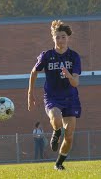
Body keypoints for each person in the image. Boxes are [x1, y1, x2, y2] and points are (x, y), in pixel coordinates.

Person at [28, 20, 82, 170]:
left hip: (71, 98)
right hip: (52, 97)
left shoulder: (74, 57)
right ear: (53, 38)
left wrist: (68, 75)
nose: (60, 40)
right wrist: (30, 93)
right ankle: (56, 132)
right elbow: (34, 72)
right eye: (57, 37)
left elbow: (75, 83)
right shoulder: (47, 56)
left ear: (68, 38)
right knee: (56, 118)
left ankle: (58, 163)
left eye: (63, 37)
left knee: (70, 136)